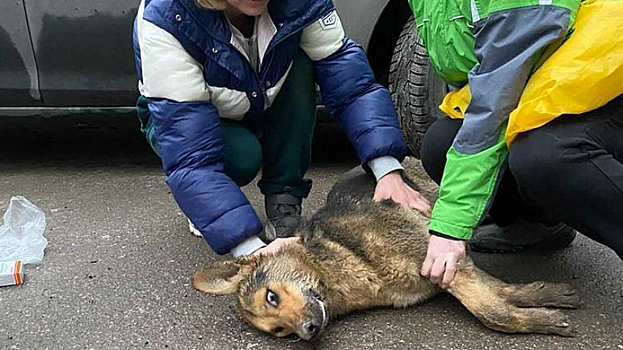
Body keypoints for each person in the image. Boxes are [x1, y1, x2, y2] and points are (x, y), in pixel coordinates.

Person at [132, 0, 431, 257]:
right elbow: (192, 158)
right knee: (242, 156)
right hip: (192, 118)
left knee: (303, 60)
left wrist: (388, 171)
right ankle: (205, 209)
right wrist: (249, 247)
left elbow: (352, 83)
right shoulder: (166, 17)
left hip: (262, 94)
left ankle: (284, 198)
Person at [412, 0, 623, 289]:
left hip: (609, 81)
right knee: (441, 144)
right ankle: (536, 227)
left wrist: (449, 228)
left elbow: (494, 107)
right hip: (554, 83)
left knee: (545, 155)